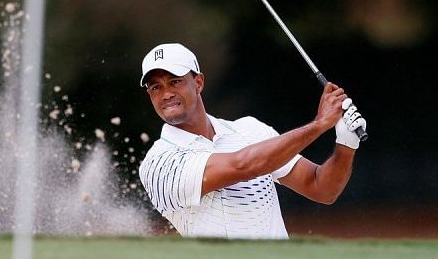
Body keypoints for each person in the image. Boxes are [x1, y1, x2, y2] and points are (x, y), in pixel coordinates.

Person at [138, 43, 367, 239]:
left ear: (198, 83)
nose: (166, 93)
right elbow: (244, 165)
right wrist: (319, 124)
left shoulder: (251, 130)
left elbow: (322, 188)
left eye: (175, 81)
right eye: (155, 87)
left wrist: (346, 144)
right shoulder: (159, 163)